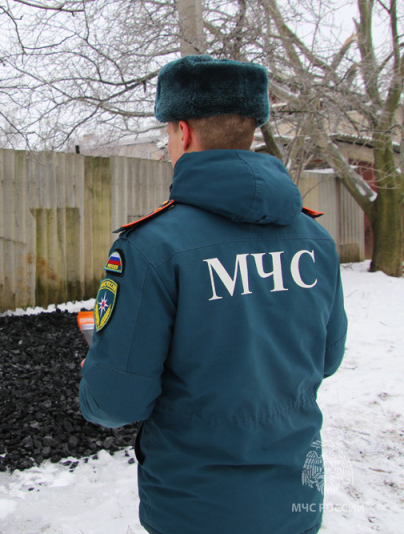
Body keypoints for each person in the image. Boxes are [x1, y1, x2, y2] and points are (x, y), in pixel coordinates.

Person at [78, 55, 348, 534]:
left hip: (195, 507)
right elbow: (325, 358)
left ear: (183, 131)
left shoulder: (151, 245)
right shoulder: (315, 238)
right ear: (250, 127)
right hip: (296, 500)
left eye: (167, 134)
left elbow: (116, 402)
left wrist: (98, 366)